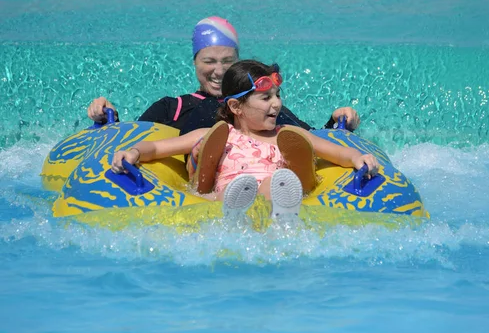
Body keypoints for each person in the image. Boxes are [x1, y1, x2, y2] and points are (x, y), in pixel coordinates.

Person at [111, 60, 379, 221]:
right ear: (236, 107)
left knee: (271, 185)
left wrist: (357, 158)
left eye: (277, 95)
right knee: (237, 190)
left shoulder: (287, 135)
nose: (276, 104)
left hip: (274, 193)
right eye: (266, 98)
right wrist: (133, 153)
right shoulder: (217, 136)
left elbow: (335, 152)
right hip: (224, 198)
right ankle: (238, 215)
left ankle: (284, 214)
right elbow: (158, 147)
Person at [87, 16, 361, 133]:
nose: (219, 71)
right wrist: (109, 117)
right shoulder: (173, 108)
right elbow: (134, 139)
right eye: (209, 61)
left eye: (228, 61)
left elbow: (308, 138)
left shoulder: (261, 105)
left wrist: (335, 121)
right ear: (195, 62)